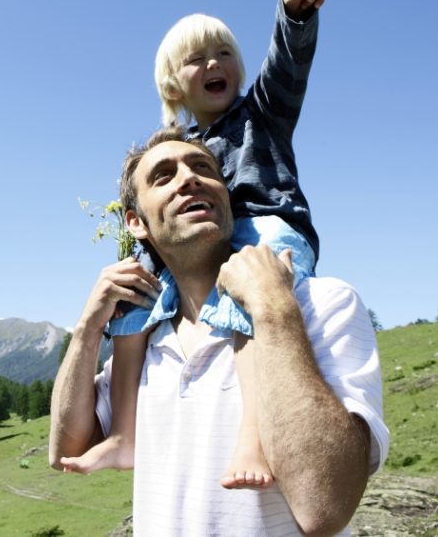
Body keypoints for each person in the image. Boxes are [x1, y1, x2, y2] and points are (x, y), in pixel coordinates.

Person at [60, 0, 326, 488]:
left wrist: (293, 17)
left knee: (247, 289)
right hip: (208, 243)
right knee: (133, 295)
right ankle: (126, 434)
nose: (213, 64)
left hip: (268, 227)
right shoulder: (183, 147)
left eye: (224, 52)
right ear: (172, 87)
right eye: (196, 59)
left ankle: (254, 432)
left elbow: (286, 69)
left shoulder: (261, 114)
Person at [49, 128, 389, 536]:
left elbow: (325, 509)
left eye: (202, 168)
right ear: (136, 223)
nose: (189, 178)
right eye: (163, 175)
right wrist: (88, 326)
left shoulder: (322, 304)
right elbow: (65, 449)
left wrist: (273, 309)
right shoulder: (141, 341)